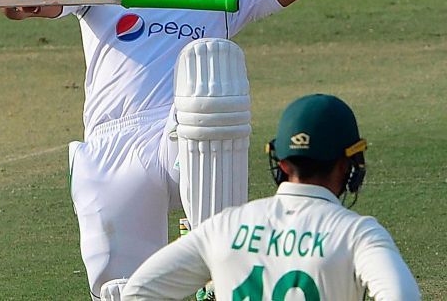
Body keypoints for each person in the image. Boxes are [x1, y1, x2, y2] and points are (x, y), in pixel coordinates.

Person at [2, 0, 337, 299]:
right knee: (124, 290)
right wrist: (26, 1)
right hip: (112, 147)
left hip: (184, 134)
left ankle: (217, 266)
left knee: (209, 90)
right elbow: (46, 0)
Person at [122, 94, 421, 300]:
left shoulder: (223, 227)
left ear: (281, 164)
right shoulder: (358, 234)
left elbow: (139, 292)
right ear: (347, 166)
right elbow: (401, 296)